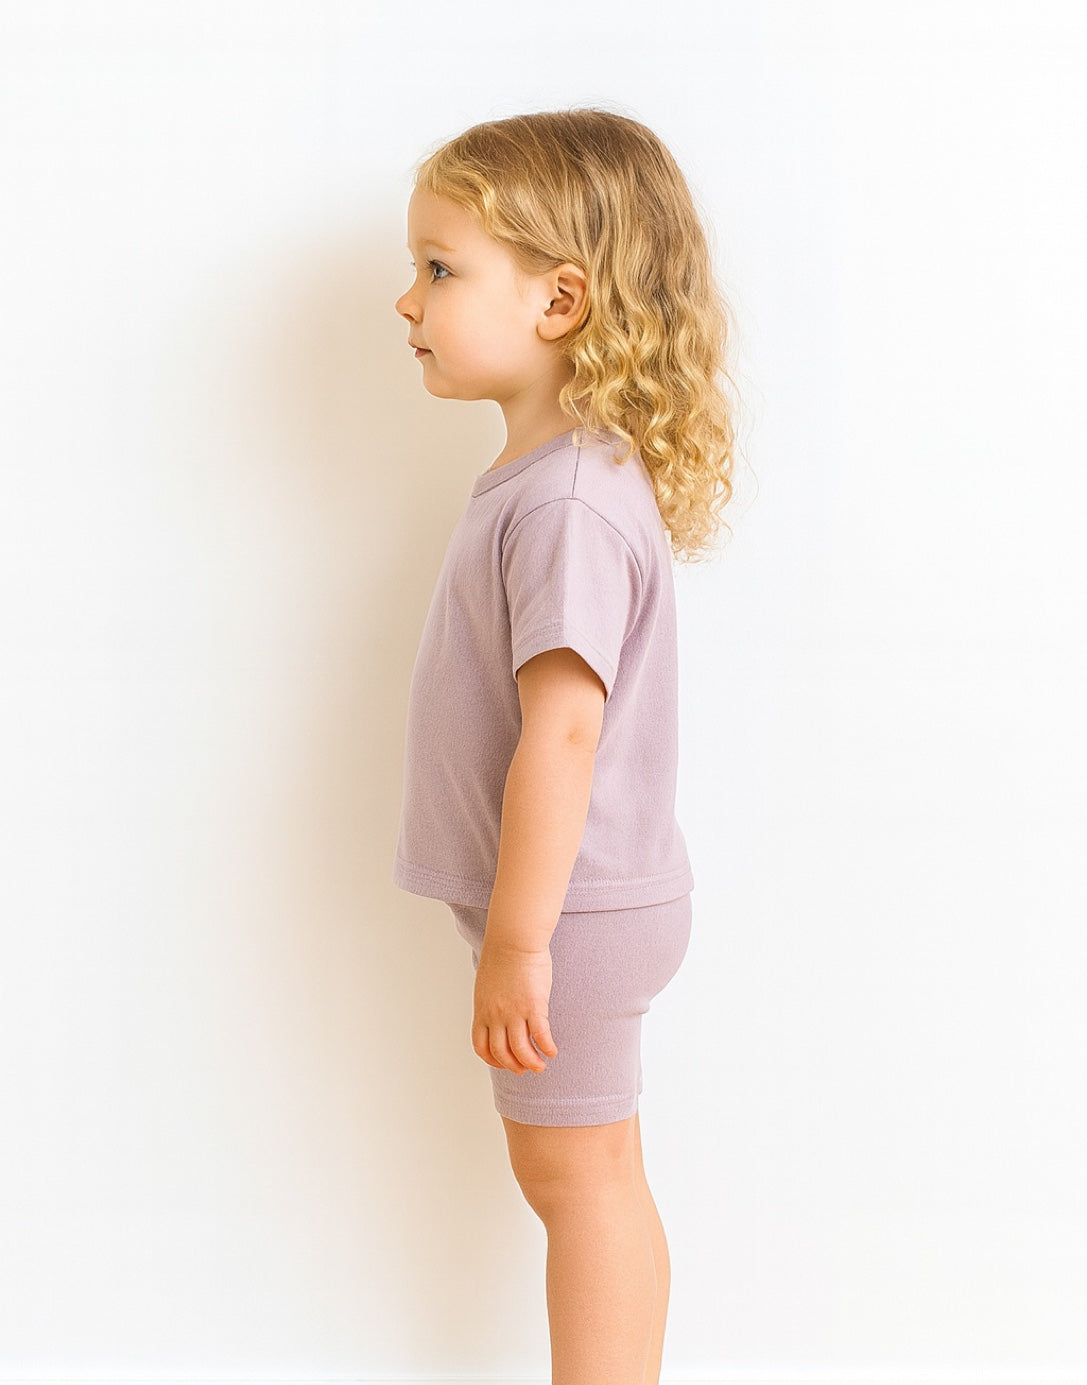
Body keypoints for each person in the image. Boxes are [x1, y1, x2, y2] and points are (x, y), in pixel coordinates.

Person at [391, 108, 737, 1385]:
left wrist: (521, 940)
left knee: (577, 1181)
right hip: (577, 902)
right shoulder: (554, 481)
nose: (405, 297)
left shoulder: (569, 504)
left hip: (572, 909)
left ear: (559, 299)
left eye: (439, 267)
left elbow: (566, 728)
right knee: (587, 1171)